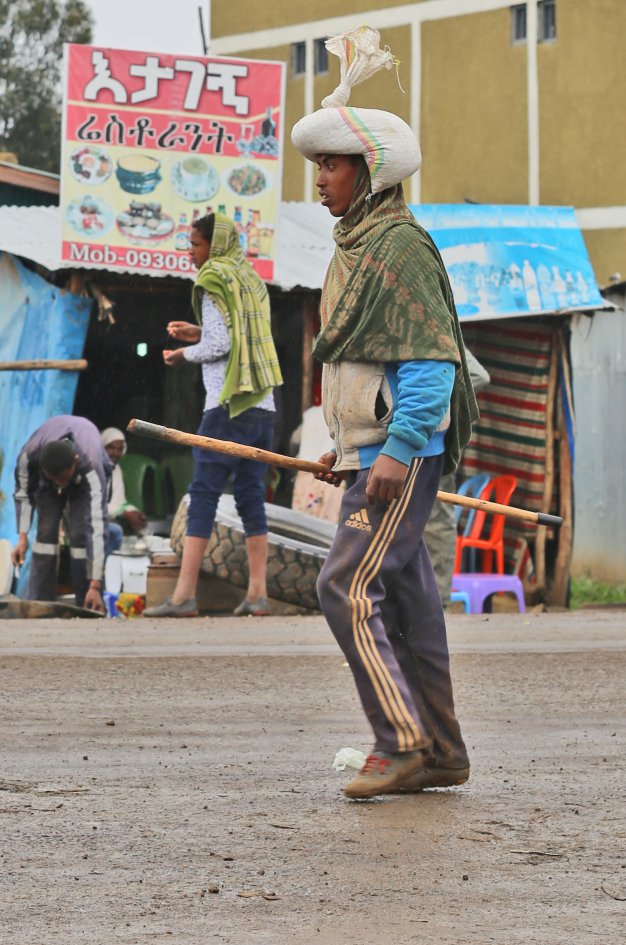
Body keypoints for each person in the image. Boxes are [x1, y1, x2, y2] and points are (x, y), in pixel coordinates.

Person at [291, 79, 479, 799]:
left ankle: (400, 741)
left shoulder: (398, 246)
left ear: (368, 172)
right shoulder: (355, 247)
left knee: (344, 585)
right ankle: (441, 748)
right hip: (371, 458)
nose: (319, 181)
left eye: (332, 166)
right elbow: (362, 365)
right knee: (407, 599)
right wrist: (347, 450)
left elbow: (431, 359)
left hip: (400, 459)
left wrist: (397, 448)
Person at [144, 212, 283, 618]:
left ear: (213, 245)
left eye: (195, 245)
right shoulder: (250, 279)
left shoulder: (213, 279)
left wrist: (182, 352)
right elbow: (237, 336)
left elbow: (220, 346)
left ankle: (184, 595)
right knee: (250, 495)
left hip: (227, 405)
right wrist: (198, 332)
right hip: (263, 406)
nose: (190, 253)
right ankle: (257, 594)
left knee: (202, 494)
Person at [11, 415, 112, 613]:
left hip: (82, 481)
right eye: (54, 479)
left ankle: (88, 601)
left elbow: (98, 525)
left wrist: (96, 585)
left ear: (74, 462)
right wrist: (22, 538)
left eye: (62, 479)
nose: (59, 485)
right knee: (45, 533)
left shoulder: (90, 466)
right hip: (44, 481)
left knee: (81, 534)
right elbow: (23, 494)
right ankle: (40, 604)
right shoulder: (29, 456)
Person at [424, 348, 491, 608]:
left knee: (435, 519)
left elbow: (478, 376)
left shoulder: (439, 327)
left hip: (431, 441)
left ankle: (436, 601)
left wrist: (435, 406)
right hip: (417, 439)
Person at [101, 427, 148, 555]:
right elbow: (94, 506)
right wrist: (124, 513)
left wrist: (133, 511)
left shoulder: (116, 470)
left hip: (107, 520)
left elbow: (119, 501)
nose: (115, 453)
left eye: (119, 449)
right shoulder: (95, 469)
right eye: (111, 447)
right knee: (116, 531)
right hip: (91, 521)